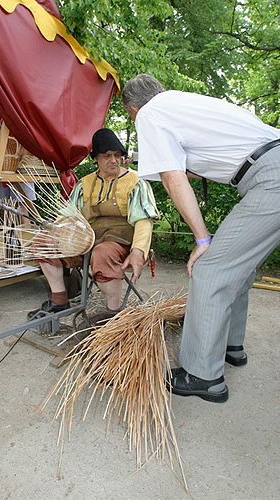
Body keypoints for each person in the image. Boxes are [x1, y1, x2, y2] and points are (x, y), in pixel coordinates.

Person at [122, 73, 280, 403]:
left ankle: (202, 376)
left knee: (210, 269)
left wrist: (202, 239)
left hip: (270, 180)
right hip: (271, 166)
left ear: (134, 109)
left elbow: (173, 177)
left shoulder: (149, 114)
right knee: (237, 266)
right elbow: (199, 162)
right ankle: (229, 346)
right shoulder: (182, 103)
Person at [27, 128, 159, 320]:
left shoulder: (135, 183)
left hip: (121, 242)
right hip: (87, 240)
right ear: (95, 159)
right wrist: (56, 233)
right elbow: (67, 215)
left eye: (117, 155)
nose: (113, 160)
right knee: (43, 242)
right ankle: (59, 300)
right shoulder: (85, 184)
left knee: (102, 253)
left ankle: (112, 313)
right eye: (107, 156)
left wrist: (138, 251)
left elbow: (144, 221)